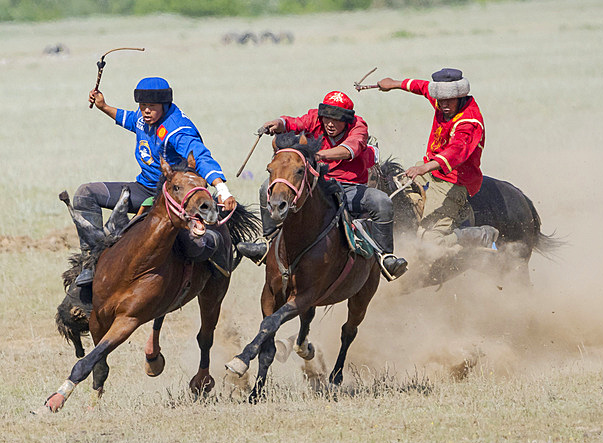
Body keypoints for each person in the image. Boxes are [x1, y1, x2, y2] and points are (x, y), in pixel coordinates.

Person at [71, 76, 237, 286]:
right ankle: (89, 262)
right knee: (85, 194)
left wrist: (222, 189)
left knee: (194, 247)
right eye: (142, 106)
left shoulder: (179, 130)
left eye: (151, 106)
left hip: (173, 196)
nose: (145, 111)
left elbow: (202, 157)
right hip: (144, 188)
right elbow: (130, 119)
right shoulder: (143, 118)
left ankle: (211, 251)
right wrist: (103, 106)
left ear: (165, 105)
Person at [235, 90, 408, 280]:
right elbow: (295, 122)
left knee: (381, 200)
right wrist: (279, 123)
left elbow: (350, 149)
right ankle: (267, 243)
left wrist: (319, 155)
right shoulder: (315, 118)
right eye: (327, 118)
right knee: (265, 189)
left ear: (348, 120)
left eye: (337, 119)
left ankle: (386, 257)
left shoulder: (359, 127)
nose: (330, 123)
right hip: (317, 184)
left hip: (349, 187)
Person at [373, 68, 498, 250]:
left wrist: (424, 168)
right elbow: (422, 87)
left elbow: (456, 151)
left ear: (460, 96)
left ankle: (479, 234)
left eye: (448, 100)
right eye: (440, 100)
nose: (443, 105)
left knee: (431, 243)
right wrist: (393, 84)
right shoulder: (443, 102)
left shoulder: (469, 121)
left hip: (454, 181)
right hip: (429, 170)